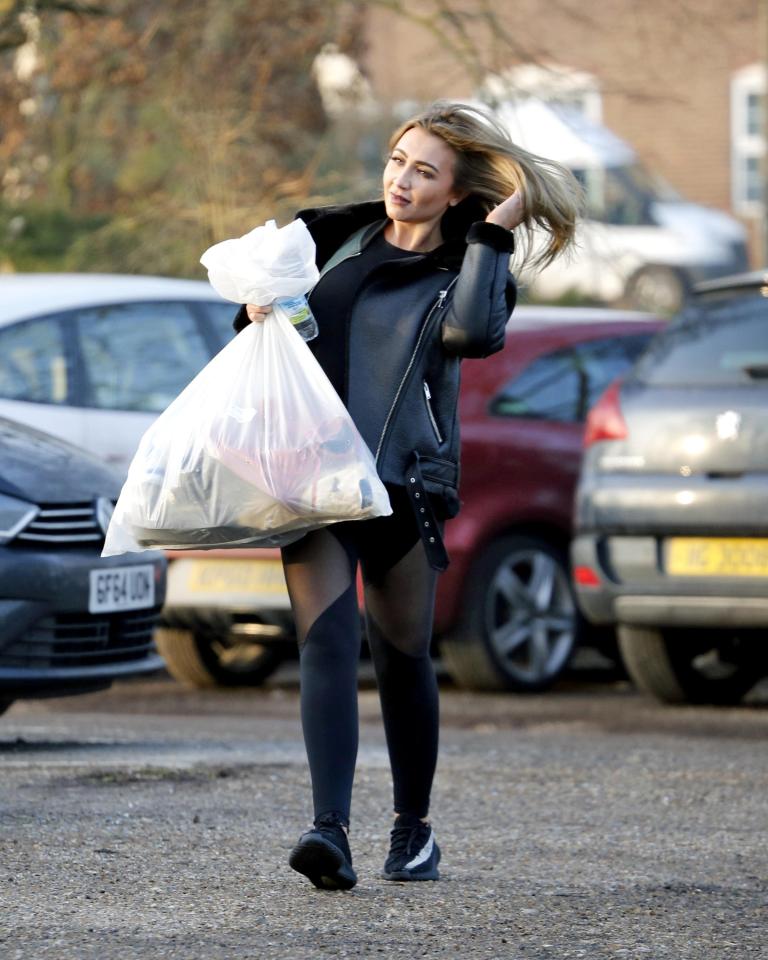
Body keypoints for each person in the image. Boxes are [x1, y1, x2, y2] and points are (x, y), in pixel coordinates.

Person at [234, 100, 581, 890]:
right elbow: (273, 327)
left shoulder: (469, 268)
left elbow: (472, 335)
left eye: (425, 171)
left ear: (457, 192)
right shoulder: (332, 238)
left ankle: (413, 829)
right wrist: (253, 311)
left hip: (406, 483)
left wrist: (497, 230)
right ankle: (329, 832)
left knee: (402, 657)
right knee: (324, 640)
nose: (402, 179)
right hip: (316, 477)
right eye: (397, 160)